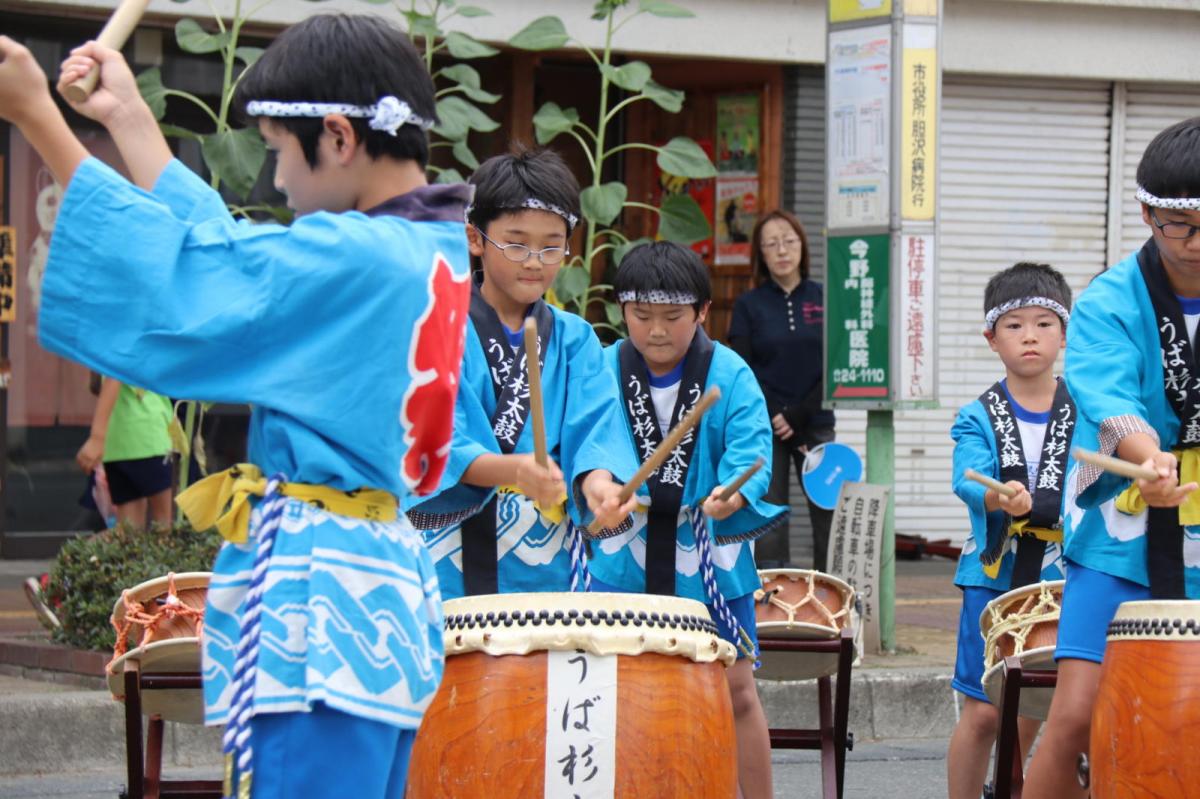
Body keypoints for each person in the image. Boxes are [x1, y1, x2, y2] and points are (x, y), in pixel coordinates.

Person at [0, 13, 472, 797]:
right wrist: (129, 120)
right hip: (378, 594)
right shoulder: (428, 245)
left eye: (280, 153)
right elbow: (238, 258)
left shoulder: (354, 255)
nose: (278, 181)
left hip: (320, 612)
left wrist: (35, 117)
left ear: (339, 137)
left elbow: (199, 277)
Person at [1023, 117, 1200, 799]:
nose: (1192, 243)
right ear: (1147, 212)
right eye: (1176, 225)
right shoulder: (1108, 297)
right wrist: (1150, 457)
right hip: (1121, 520)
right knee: (1073, 714)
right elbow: (1104, 387)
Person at [588, 241, 785, 799]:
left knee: (737, 688)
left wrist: (732, 494)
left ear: (701, 312)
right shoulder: (603, 368)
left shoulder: (730, 372)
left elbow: (752, 452)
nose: (655, 331)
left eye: (672, 317)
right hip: (624, 549)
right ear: (621, 311)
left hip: (707, 552)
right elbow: (586, 441)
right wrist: (598, 483)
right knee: (617, 684)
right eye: (641, 316)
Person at [406, 147, 639, 599]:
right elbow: (434, 440)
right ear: (475, 238)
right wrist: (513, 470)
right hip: (443, 557)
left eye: (552, 246)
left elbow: (598, 432)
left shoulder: (576, 340)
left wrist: (600, 486)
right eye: (516, 243)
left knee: (540, 666)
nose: (534, 260)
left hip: (544, 563)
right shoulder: (436, 328)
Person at [945, 263, 1073, 799]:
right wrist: (997, 493)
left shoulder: (1086, 409)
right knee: (982, 712)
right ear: (991, 338)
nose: (1029, 336)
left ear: (1064, 335)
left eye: (1044, 324)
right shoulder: (977, 415)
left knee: (1037, 711)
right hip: (992, 577)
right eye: (1015, 325)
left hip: (1065, 580)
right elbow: (965, 475)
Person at [729, 209, 835, 569]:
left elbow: (837, 361)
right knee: (769, 514)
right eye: (771, 244)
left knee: (827, 510)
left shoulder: (825, 298)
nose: (782, 250)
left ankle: (829, 596)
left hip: (815, 421)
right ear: (760, 253)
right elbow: (742, 367)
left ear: (802, 246)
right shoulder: (748, 305)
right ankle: (773, 599)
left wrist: (800, 413)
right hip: (765, 425)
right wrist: (777, 414)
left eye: (789, 241)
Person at [76, 378, 174, 528]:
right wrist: (97, 437)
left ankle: (78, 551)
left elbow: (99, 384)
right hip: (148, 436)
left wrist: (99, 437)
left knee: (129, 535)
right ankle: (79, 551)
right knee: (163, 527)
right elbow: (113, 378)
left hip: (117, 443)